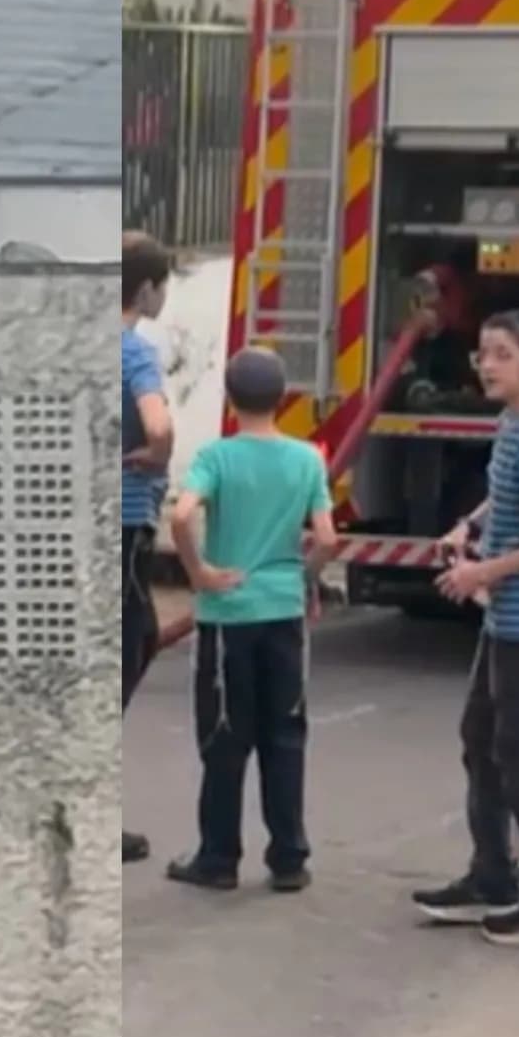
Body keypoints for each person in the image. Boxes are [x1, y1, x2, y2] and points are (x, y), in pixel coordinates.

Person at [410, 309, 519, 952]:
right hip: (508, 615)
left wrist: (481, 569)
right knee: (482, 737)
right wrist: (470, 524)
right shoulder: (516, 424)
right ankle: (493, 879)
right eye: (483, 353)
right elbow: (506, 493)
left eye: (502, 355)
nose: (486, 365)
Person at [164, 347, 339, 894]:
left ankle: (219, 857)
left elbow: (182, 513)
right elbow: (329, 539)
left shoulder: (215, 457)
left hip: (228, 614)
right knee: (284, 734)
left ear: (229, 397)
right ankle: (288, 857)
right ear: (284, 396)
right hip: (282, 608)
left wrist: (200, 571)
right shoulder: (307, 459)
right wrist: (304, 577)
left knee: (224, 736)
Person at [121, 231, 177, 866]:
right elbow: (158, 424)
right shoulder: (134, 352)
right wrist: (155, 453)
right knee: (133, 643)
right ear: (146, 289)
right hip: (127, 523)